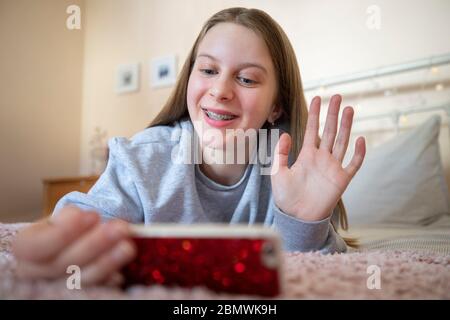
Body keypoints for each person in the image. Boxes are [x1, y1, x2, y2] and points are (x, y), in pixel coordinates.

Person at [12, 7, 366, 286]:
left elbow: (320, 271)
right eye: (209, 70)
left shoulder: (292, 178)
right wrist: (63, 238)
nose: (221, 90)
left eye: (246, 78)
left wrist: (303, 222)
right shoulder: (145, 159)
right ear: (189, 79)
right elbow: (87, 222)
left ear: (277, 106)